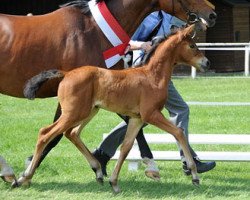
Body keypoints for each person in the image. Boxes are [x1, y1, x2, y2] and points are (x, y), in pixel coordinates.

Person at [93, 11, 216, 180]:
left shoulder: (177, 18)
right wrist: (144, 45)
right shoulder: (152, 19)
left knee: (143, 117)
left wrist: (199, 25)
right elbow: (128, 42)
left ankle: (102, 152)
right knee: (178, 110)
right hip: (146, 73)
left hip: (160, 74)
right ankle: (188, 160)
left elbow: (182, 40)